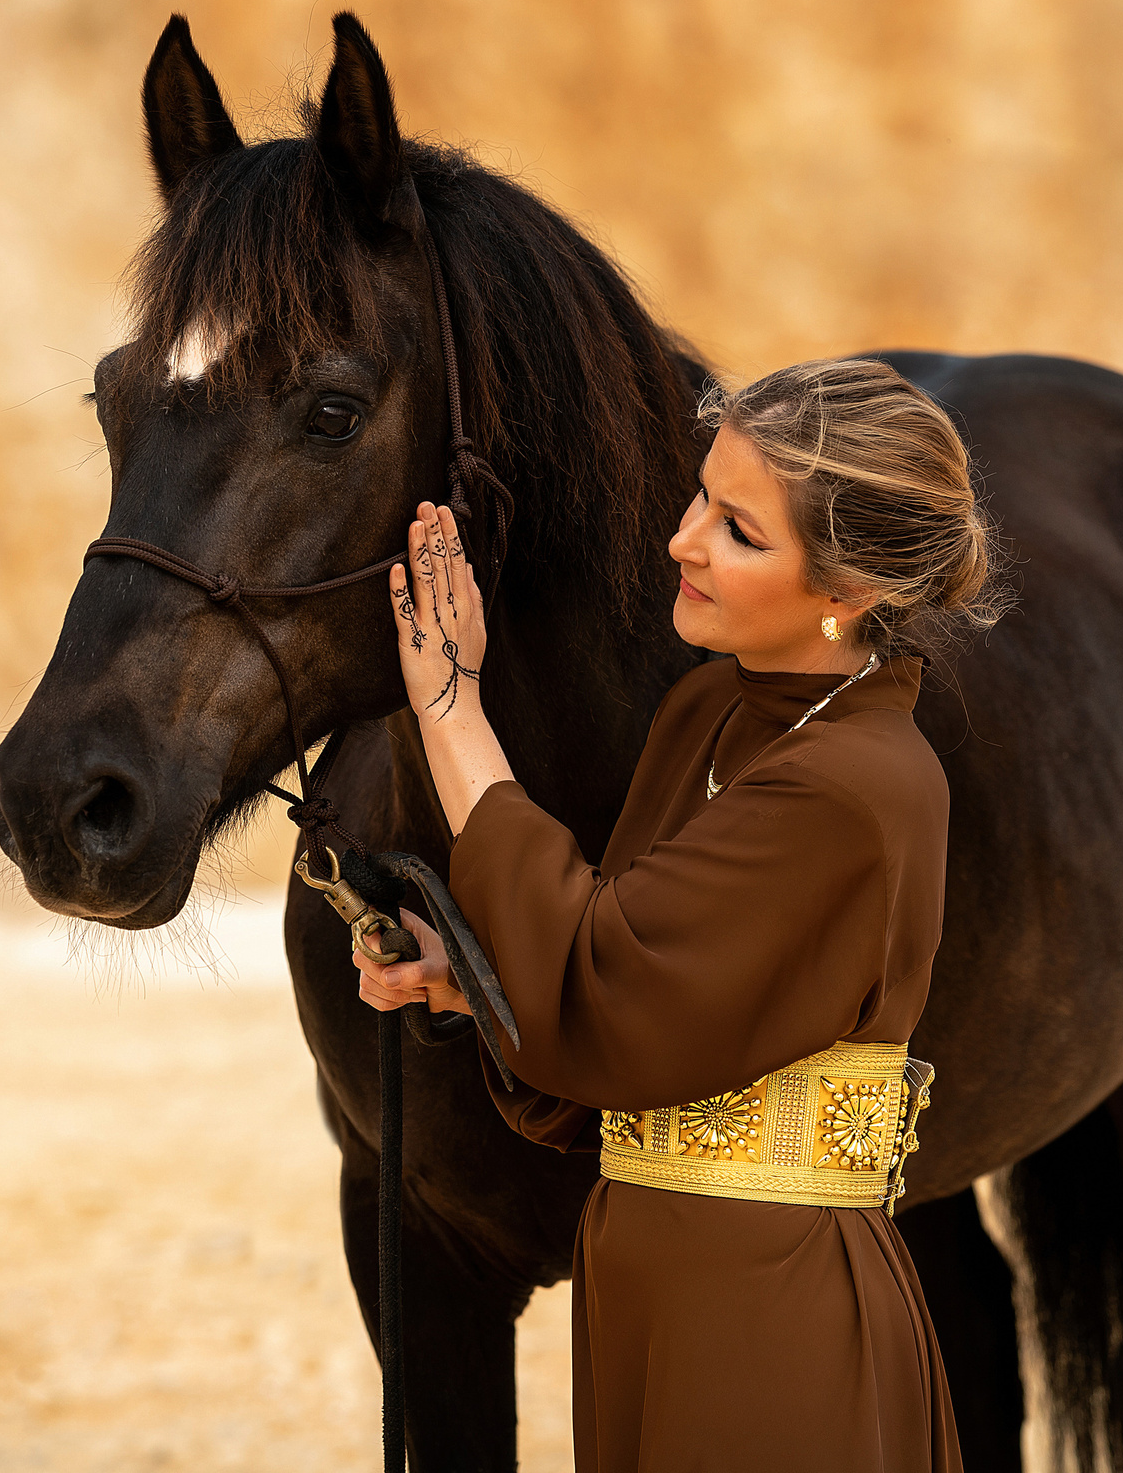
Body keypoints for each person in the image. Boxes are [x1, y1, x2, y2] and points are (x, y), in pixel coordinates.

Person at [349, 357, 1007, 1473]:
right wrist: (469, 978)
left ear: (846, 589)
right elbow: (650, 983)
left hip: (768, 1301)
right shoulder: (712, 710)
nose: (683, 541)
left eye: (741, 530)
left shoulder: (856, 784)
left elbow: (609, 978)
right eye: (701, 496)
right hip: (650, 1266)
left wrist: (452, 708)